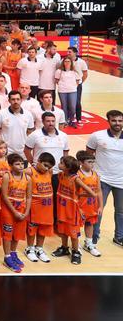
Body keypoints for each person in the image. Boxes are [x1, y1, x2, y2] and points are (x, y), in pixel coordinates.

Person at [86, 109, 123, 248]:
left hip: (121, 181)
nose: (117, 123)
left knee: (121, 211)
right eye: (114, 120)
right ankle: (93, 237)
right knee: (98, 210)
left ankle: (119, 237)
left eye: (120, 120)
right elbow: (88, 155)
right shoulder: (97, 136)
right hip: (102, 180)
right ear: (108, 121)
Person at [0, 91, 35, 156]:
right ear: (9, 100)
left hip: (22, 152)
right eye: (13, 99)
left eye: (18, 99)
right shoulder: (1, 114)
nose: (16, 101)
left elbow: (30, 133)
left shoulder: (28, 115)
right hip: (5, 151)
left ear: (21, 100)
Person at [55, 56, 81, 129]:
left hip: (72, 91)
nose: (67, 63)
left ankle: (71, 120)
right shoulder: (59, 71)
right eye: (65, 61)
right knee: (64, 106)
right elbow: (56, 80)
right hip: (62, 91)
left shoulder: (75, 72)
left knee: (72, 107)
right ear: (63, 63)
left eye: (68, 61)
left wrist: (72, 86)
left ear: (71, 63)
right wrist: (63, 85)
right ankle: (65, 121)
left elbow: (77, 81)